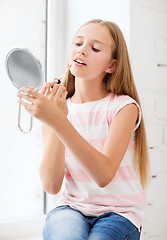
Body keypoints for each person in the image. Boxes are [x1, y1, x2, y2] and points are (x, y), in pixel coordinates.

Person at [17, 19, 150, 240]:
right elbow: (51, 184)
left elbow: (103, 175)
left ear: (112, 66)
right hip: (72, 207)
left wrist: (58, 120)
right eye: (78, 43)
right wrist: (54, 118)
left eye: (95, 48)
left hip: (120, 213)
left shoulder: (123, 108)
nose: (82, 51)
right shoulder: (58, 106)